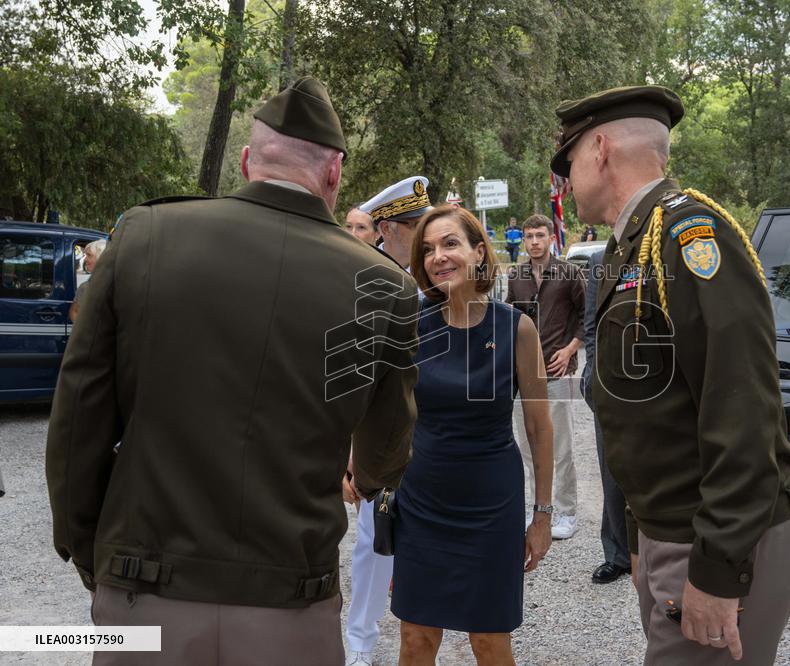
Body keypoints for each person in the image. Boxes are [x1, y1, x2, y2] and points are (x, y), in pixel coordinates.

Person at [45, 77, 419, 666]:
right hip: (291, 603)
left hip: (146, 591)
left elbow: (77, 424)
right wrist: (363, 480)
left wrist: (97, 557)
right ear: (335, 174)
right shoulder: (384, 289)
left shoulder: (145, 236)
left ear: (247, 161)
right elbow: (385, 452)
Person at [550, 85, 790, 665]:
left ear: (600, 148)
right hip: (673, 533)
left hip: (714, 543)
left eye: (567, 163)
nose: (563, 181)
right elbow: (654, 414)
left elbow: (742, 414)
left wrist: (718, 572)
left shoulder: (690, 236)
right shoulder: (635, 244)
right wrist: (641, 535)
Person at [392, 205, 553, 665]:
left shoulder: (517, 328)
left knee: (489, 639)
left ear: (479, 252)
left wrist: (542, 515)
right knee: (416, 636)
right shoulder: (409, 324)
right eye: (427, 249)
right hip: (421, 502)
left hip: (491, 507)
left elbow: (539, 426)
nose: (438, 257)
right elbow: (381, 408)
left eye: (449, 244)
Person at [341, 177, 433, 666]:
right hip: (383, 439)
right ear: (386, 230)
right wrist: (349, 455)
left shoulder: (441, 280)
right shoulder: (367, 286)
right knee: (374, 544)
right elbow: (353, 380)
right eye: (412, 227)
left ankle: (424, 633)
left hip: (435, 433)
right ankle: (360, 640)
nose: (423, 235)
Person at [506, 214, 585, 540]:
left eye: (540, 235)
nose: (534, 241)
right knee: (526, 446)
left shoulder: (569, 273)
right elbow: (509, 316)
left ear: (551, 238)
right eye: (529, 236)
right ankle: (536, 506)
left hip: (556, 372)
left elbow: (586, 316)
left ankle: (566, 512)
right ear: (523, 240)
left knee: (561, 447)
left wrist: (569, 350)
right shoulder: (516, 275)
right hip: (523, 375)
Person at [579, 246, 631, 583]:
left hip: (661, 385)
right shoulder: (600, 261)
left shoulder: (665, 250)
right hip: (611, 387)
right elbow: (591, 328)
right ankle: (617, 554)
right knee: (613, 472)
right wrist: (594, 376)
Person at [362, 176, 432, 270]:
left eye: (427, 224)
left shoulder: (433, 269)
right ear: (386, 229)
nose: (426, 233)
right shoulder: (365, 270)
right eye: (417, 225)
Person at [68, 239, 107, 323]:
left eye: (89, 255)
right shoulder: (85, 287)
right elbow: (74, 312)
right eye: (85, 255)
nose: (85, 259)